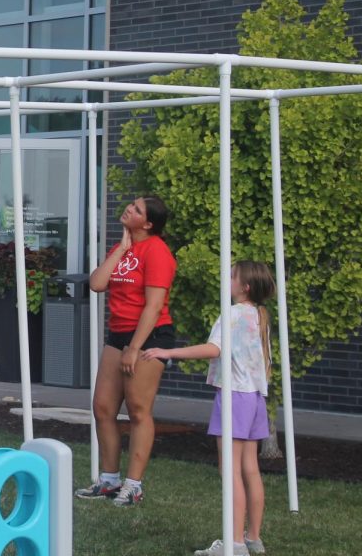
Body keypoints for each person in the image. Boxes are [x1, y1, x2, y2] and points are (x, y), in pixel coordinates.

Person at [143, 261, 274, 556]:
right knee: (250, 470)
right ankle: (253, 538)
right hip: (254, 399)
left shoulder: (232, 313)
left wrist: (168, 351)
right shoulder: (259, 314)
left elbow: (214, 348)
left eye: (231, 276)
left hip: (234, 397)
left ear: (245, 287)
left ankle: (235, 544)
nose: (226, 280)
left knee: (230, 471)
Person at [76, 195, 177, 507]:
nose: (128, 209)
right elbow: (96, 284)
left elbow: (154, 305)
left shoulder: (158, 251)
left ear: (147, 223)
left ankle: (133, 485)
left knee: (137, 410)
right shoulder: (124, 248)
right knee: (103, 407)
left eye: (136, 209)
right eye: (131, 205)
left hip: (148, 335)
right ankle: (109, 480)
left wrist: (135, 348)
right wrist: (121, 248)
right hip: (118, 333)